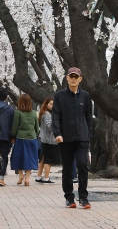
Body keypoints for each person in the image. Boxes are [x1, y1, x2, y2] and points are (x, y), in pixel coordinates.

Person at [52, 67, 93, 209]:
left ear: (80, 79)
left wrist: (89, 134)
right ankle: (69, 197)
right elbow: (55, 115)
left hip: (82, 137)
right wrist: (57, 133)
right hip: (65, 138)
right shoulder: (60, 96)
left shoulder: (86, 96)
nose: (74, 79)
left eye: (76, 77)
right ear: (67, 78)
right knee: (68, 168)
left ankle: (83, 197)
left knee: (82, 165)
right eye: (71, 76)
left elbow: (89, 117)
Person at [10, 94, 39, 186]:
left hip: (20, 138)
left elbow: (15, 127)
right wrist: (36, 135)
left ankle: (21, 175)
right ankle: (27, 178)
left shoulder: (18, 112)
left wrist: (13, 136)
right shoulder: (34, 113)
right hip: (32, 137)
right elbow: (37, 127)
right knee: (30, 157)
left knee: (18, 157)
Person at [0, 87, 15, 186]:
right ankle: (1, 178)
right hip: (6, 136)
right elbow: (12, 124)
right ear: (6, 97)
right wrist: (13, 136)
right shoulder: (10, 109)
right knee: (4, 156)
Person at [36, 97, 59, 183]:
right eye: (51, 104)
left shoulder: (43, 113)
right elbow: (49, 128)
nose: (53, 106)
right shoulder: (48, 115)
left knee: (42, 158)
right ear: (46, 104)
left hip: (45, 139)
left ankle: (38, 176)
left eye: (54, 104)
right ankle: (46, 177)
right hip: (49, 140)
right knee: (48, 160)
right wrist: (55, 120)